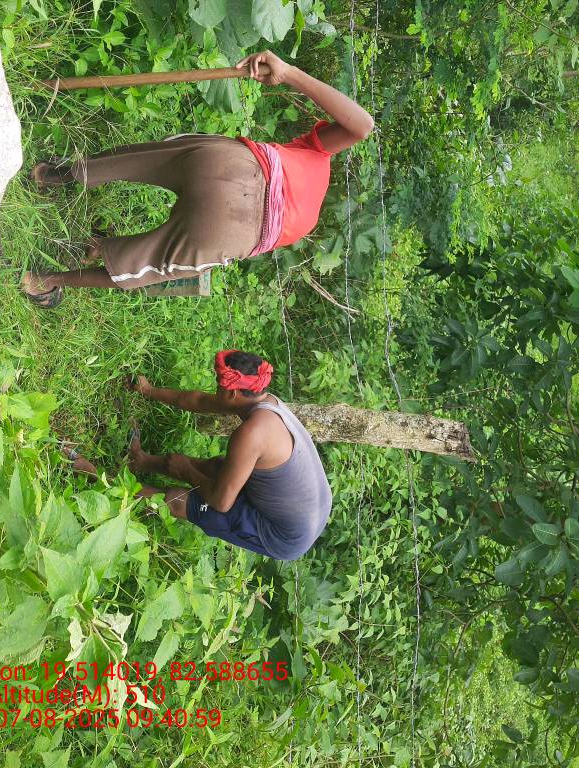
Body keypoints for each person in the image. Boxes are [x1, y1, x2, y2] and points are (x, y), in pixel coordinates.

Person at [21, 50, 373, 307]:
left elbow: (363, 126)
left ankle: (49, 175)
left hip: (229, 163)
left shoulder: (318, 154)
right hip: (234, 228)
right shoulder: (304, 223)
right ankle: (43, 281)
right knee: (151, 266)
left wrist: (290, 72)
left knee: (136, 160)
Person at [63, 350, 333, 562]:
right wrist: (148, 391)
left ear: (232, 393)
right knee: (217, 467)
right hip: (299, 508)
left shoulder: (252, 434)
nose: (214, 390)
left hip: (280, 534)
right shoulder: (264, 400)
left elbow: (220, 502)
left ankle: (96, 478)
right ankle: (140, 461)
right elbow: (199, 402)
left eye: (218, 386)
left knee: (178, 501)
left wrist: (186, 471)